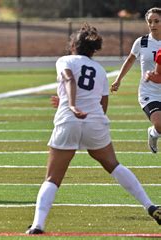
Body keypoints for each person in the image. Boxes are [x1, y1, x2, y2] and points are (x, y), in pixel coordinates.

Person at [26, 24, 161, 234]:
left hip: (68, 120)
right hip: (95, 121)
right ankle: (150, 205)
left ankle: (37, 225)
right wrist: (91, 119)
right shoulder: (99, 70)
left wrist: (70, 104)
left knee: (52, 178)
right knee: (114, 166)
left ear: (73, 45)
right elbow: (102, 103)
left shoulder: (65, 60)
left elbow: (70, 79)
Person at [111, 7, 161, 154]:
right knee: (159, 123)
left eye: (157, 21)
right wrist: (118, 79)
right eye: (150, 22)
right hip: (149, 92)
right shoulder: (142, 42)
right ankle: (153, 133)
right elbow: (130, 60)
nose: (153, 25)